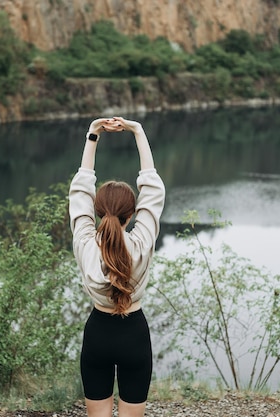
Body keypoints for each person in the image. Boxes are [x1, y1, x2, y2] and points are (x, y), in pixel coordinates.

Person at [68, 116, 166, 417]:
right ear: (132, 213)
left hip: (98, 334)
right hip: (134, 334)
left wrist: (93, 134)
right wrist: (137, 130)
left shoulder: (85, 242)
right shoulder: (142, 242)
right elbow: (152, 186)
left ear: (97, 212)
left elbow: (81, 189)